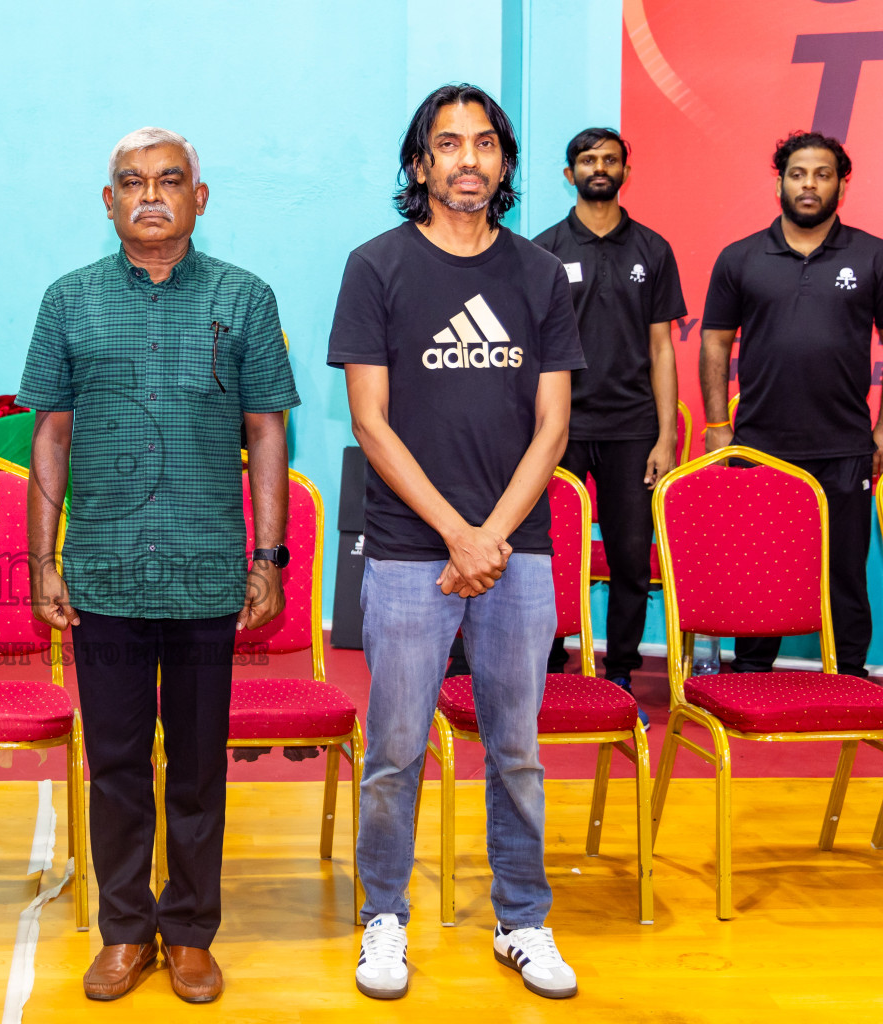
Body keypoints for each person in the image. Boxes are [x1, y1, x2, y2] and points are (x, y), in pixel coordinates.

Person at [18, 127, 299, 1004]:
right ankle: (125, 930)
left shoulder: (245, 299)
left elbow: (266, 432)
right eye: (131, 182)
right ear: (108, 202)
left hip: (207, 568)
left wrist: (269, 556)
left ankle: (190, 932)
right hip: (102, 572)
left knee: (200, 762)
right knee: (115, 762)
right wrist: (41, 559)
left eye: (169, 180)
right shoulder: (68, 301)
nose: (150, 194)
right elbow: (51, 435)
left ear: (198, 198)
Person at [328, 84, 583, 1001]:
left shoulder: (542, 274)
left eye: (484, 144)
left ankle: (523, 919)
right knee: (395, 748)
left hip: (520, 549)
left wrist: (492, 536)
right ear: (420, 163)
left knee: (515, 747)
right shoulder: (376, 267)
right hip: (407, 551)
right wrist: (454, 533)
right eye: (448, 144)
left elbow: (553, 426)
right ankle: (384, 919)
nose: (467, 160)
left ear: (504, 163)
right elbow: (370, 421)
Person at [701, 130, 883, 679]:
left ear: (841, 186)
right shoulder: (741, 257)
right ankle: (751, 673)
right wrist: (716, 424)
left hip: (845, 446)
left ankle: (850, 676)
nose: (809, 185)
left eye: (822, 175)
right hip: (760, 444)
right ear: (779, 181)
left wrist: (881, 433)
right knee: (761, 567)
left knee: (846, 571)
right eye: (798, 174)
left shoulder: (872, 255)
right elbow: (715, 340)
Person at [532, 128, 686, 727]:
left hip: (633, 430)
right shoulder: (543, 251)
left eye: (610, 159)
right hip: (560, 430)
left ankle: (620, 669)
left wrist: (667, 436)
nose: (600, 167)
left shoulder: (653, 248)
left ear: (626, 169)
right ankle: (547, 661)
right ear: (569, 174)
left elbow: (663, 348)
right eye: (587, 160)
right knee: (546, 554)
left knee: (628, 556)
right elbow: (536, 350)